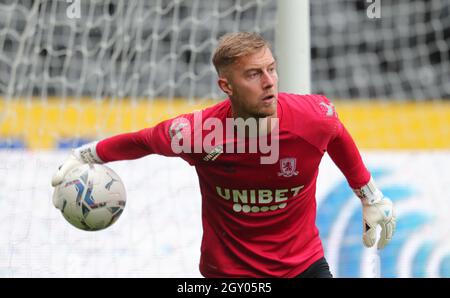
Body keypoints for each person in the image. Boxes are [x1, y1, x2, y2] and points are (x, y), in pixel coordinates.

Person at [51, 32, 396, 278]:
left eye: (271, 69)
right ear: (226, 86)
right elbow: (141, 142)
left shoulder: (311, 118)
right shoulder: (197, 134)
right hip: (229, 274)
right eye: (254, 74)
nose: (270, 81)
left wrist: (369, 195)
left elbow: (336, 134)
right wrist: (87, 155)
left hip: (302, 266)